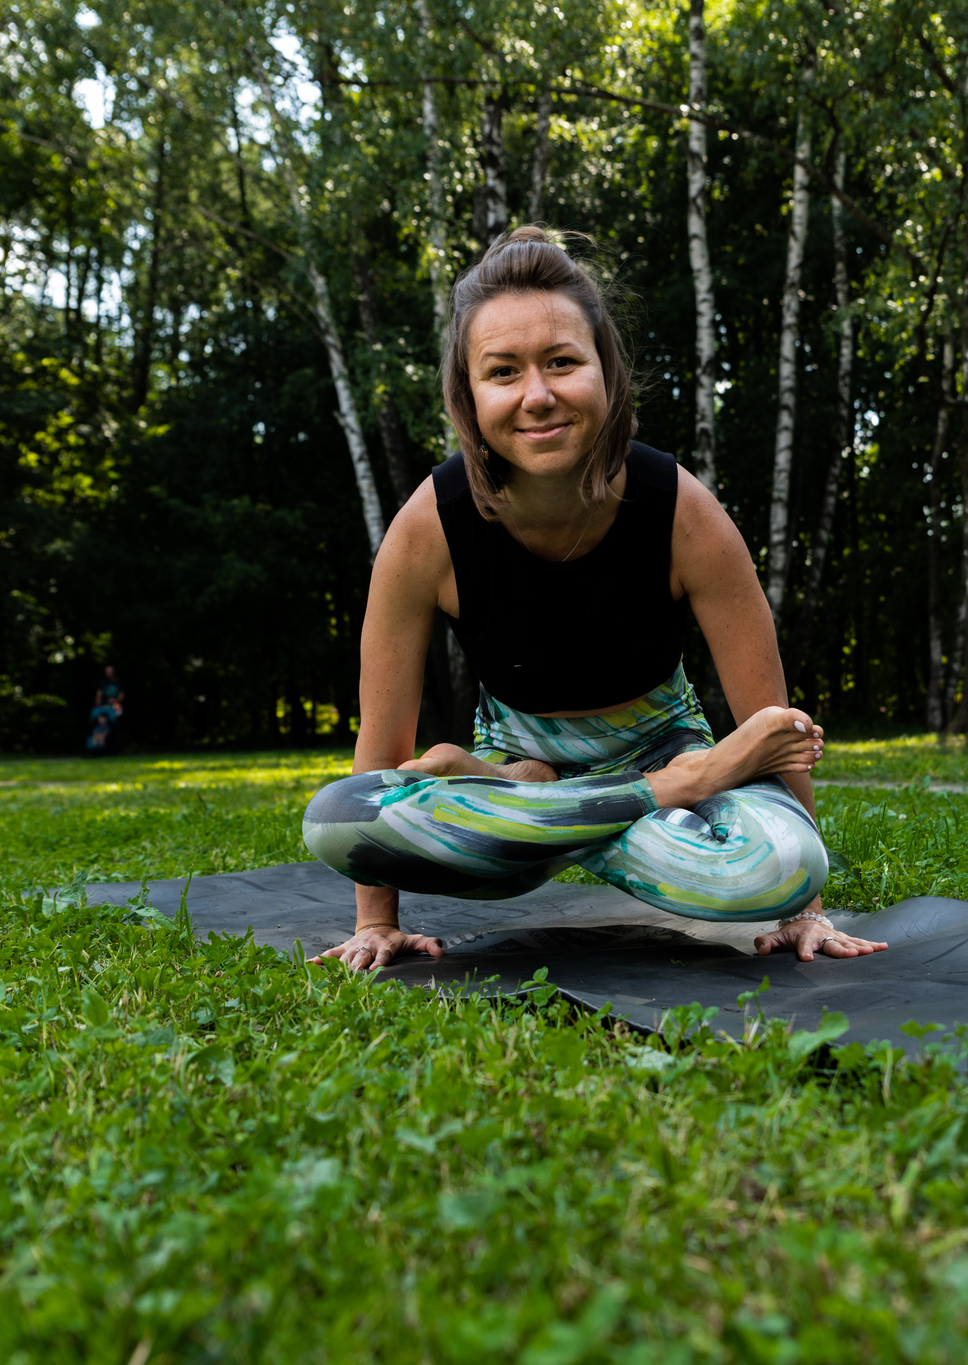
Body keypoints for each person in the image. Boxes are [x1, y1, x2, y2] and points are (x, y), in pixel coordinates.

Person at [303, 227, 889, 971]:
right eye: (503, 371)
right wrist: (375, 920)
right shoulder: (427, 531)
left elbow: (767, 727)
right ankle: (629, 789)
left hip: (637, 756)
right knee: (336, 818)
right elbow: (378, 761)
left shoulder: (682, 512)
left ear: (605, 371)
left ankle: (566, 792)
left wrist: (805, 907)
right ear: (468, 393)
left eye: (561, 362)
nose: (538, 395)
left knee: (780, 865)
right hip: (534, 759)